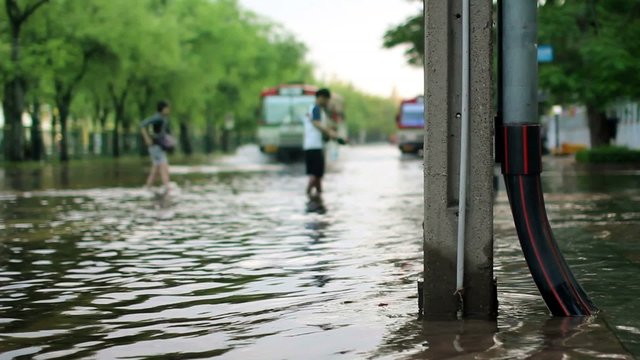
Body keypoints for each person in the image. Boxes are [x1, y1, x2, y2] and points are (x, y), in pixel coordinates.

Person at [304, 88, 339, 197]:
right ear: (321, 98)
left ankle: (318, 196)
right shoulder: (316, 108)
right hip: (314, 146)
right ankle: (308, 195)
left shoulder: (313, 109)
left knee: (318, 175)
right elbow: (316, 123)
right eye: (327, 100)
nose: (327, 102)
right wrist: (330, 132)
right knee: (316, 175)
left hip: (311, 146)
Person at [141, 100, 172, 194]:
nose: (169, 110)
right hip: (156, 147)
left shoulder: (162, 118)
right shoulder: (157, 118)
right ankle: (167, 187)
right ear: (162, 109)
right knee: (164, 167)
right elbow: (142, 124)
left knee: (155, 169)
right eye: (167, 108)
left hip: (157, 147)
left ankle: (148, 187)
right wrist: (147, 138)